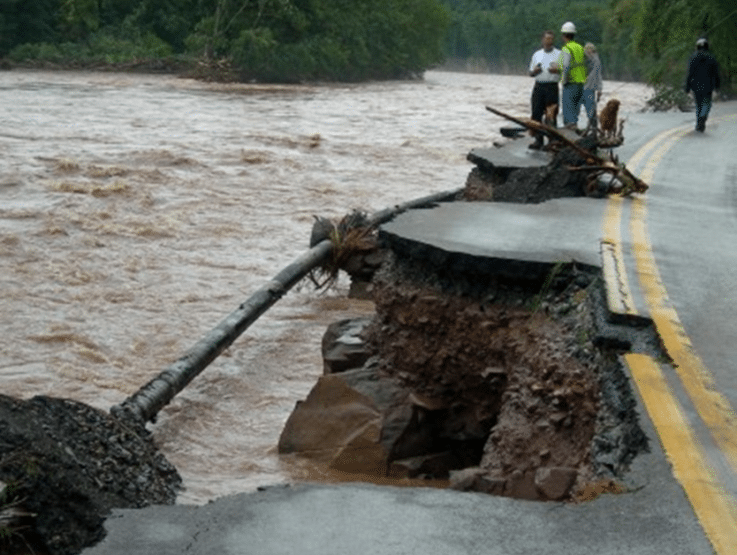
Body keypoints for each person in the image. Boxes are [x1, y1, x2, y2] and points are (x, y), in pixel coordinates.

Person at [527, 30, 561, 149]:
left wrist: (558, 70)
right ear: (542, 40)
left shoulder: (559, 54)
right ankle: (538, 140)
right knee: (536, 113)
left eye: (551, 39)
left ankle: (552, 141)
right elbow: (530, 73)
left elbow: (565, 72)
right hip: (539, 85)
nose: (548, 41)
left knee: (551, 115)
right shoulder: (537, 54)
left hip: (552, 86)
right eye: (546, 39)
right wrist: (535, 71)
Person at [685, 38, 721, 132]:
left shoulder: (693, 58)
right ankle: (702, 117)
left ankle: (699, 123)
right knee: (706, 103)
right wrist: (717, 86)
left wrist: (687, 87)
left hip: (696, 86)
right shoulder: (711, 58)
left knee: (698, 104)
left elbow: (690, 74)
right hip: (708, 85)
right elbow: (716, 73)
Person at [558, 21, 586, 128]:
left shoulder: (566, 49)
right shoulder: (580, 48)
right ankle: (574, 128)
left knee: (568, 110)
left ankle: (570, 133)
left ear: (563, 35)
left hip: (571, 83)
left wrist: (564, 81)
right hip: (581, 83)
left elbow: (565, 67)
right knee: (575, 110)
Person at [582, 42, 603, 129]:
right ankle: (591, 127)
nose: (588, 51)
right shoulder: (585, 60)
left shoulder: (596, 60)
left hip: (590, 88)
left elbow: (598, 76)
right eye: (586, 49)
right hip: (584, 87)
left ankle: (593, 128)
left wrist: (599, 89)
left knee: (591, 109)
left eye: (589, 49)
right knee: (588, 108)